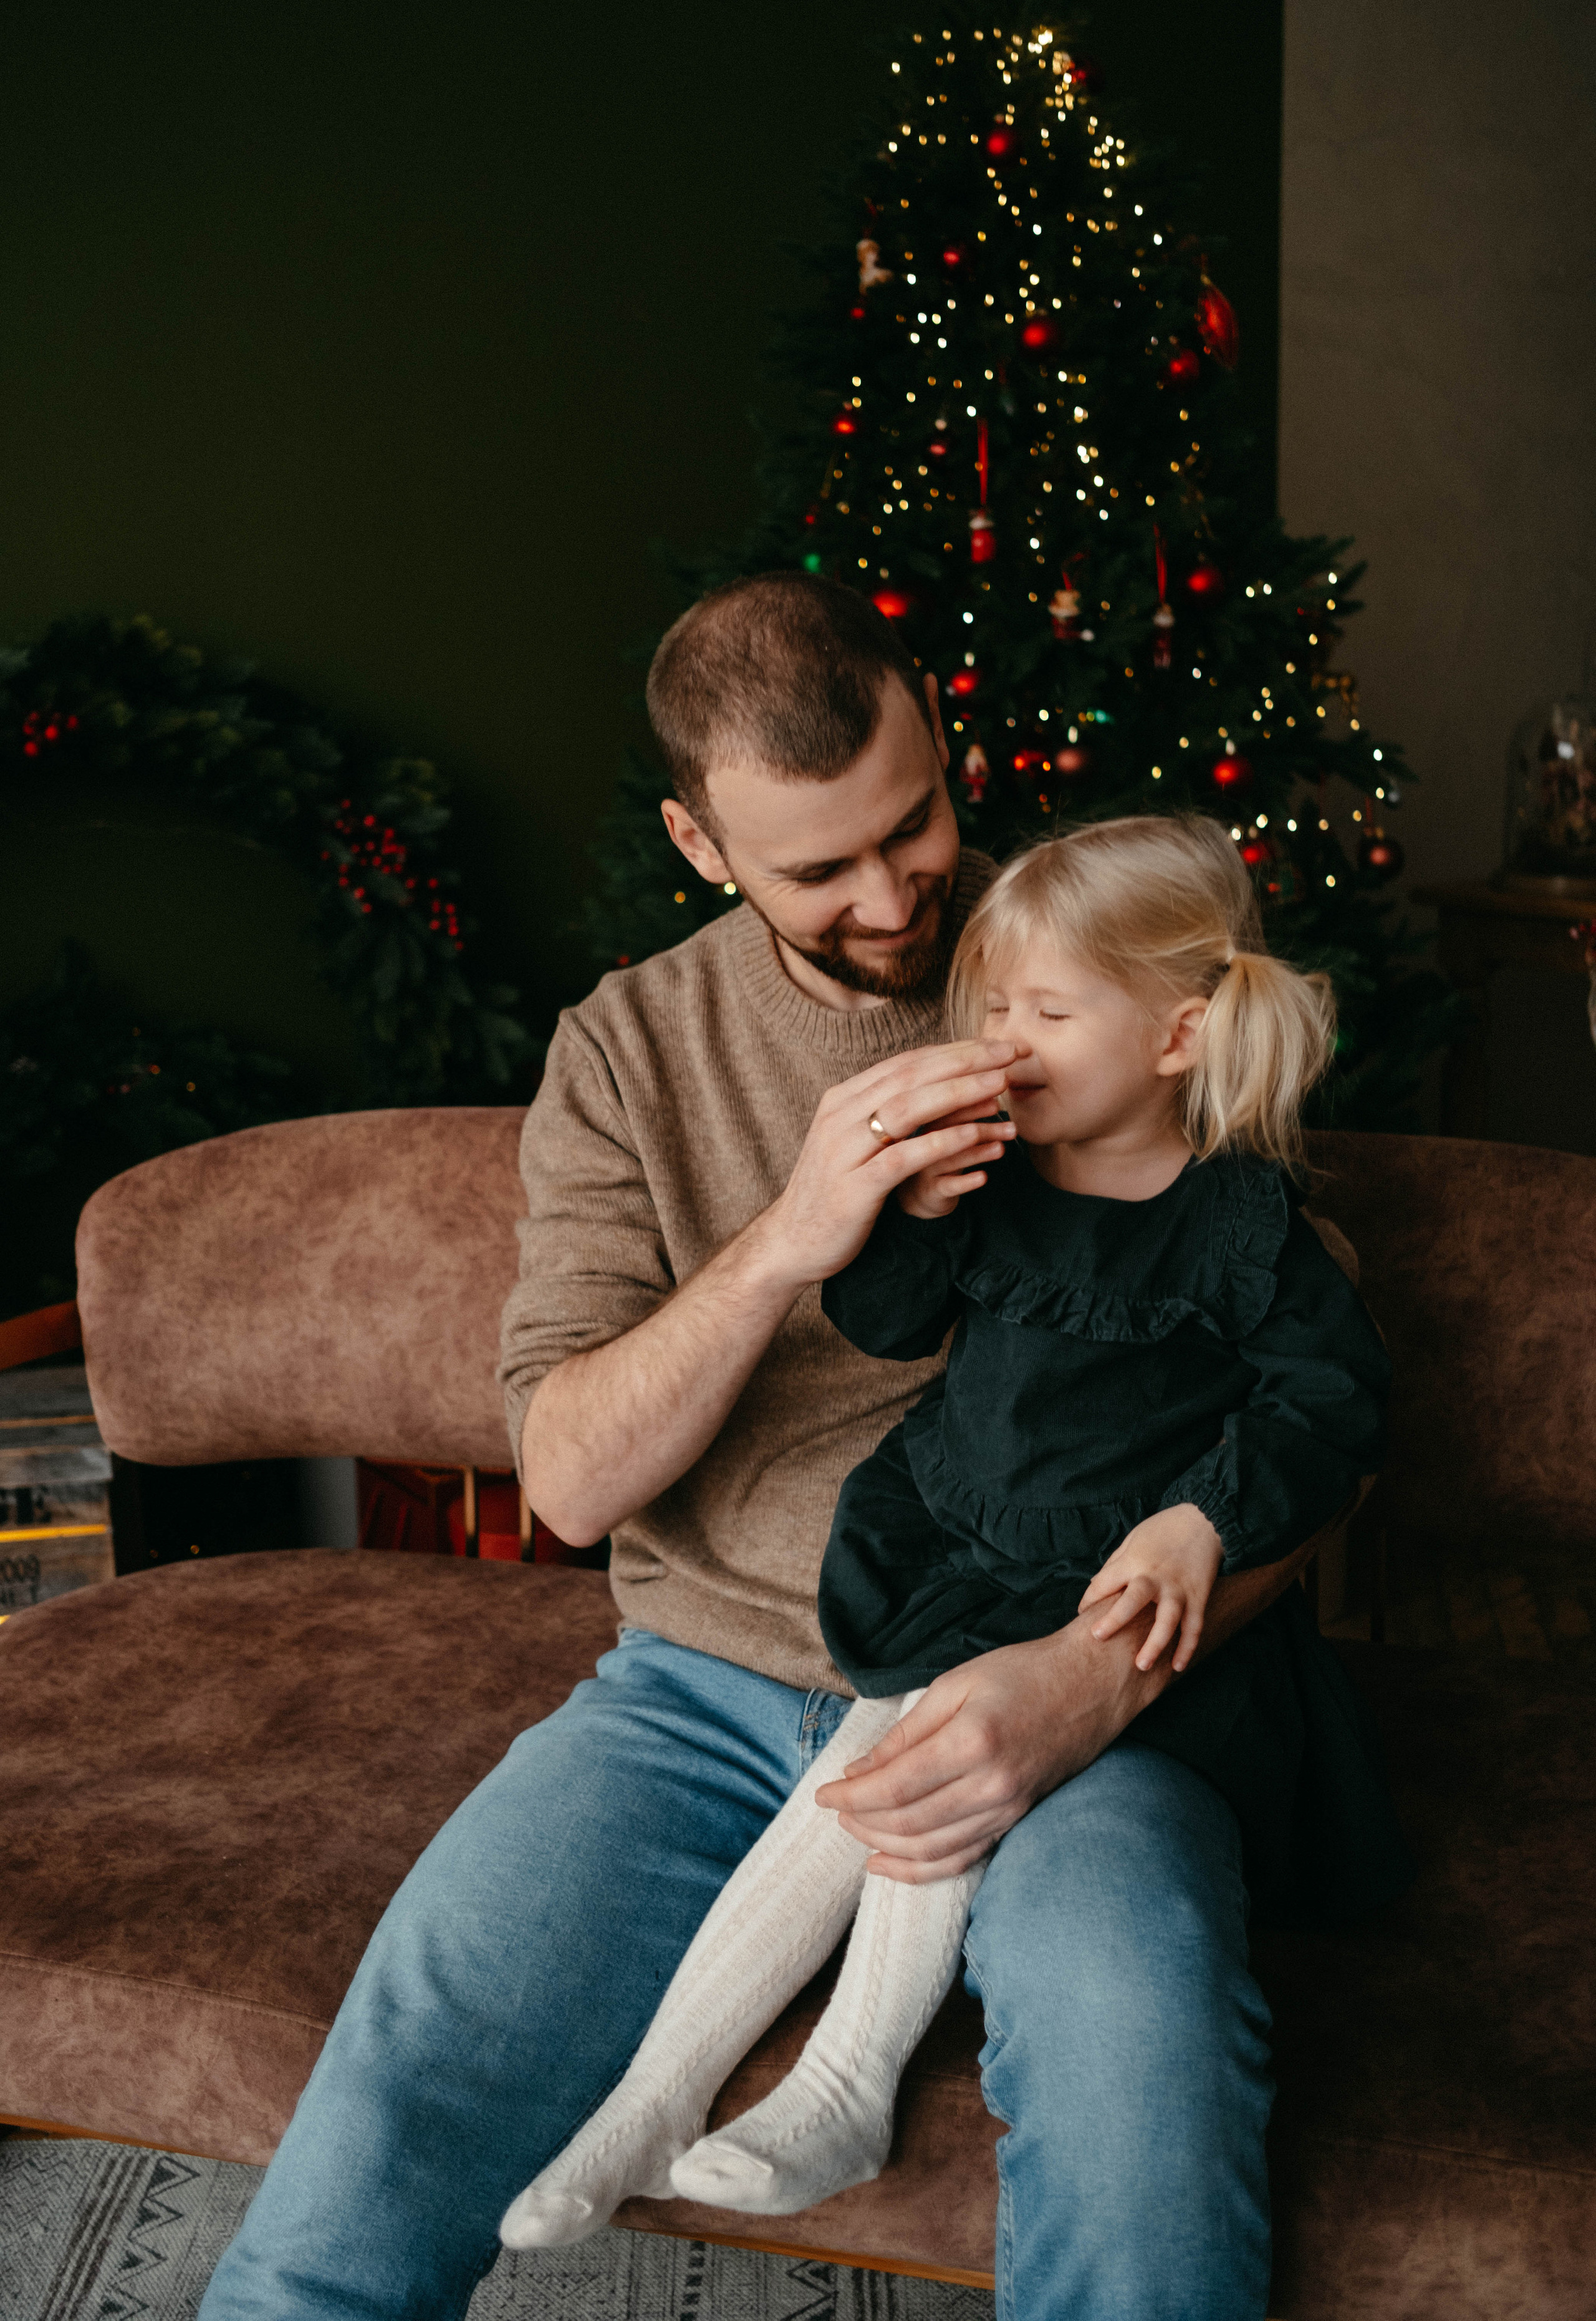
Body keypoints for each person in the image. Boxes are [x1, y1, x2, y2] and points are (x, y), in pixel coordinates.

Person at [198, 576, 1372, 2321]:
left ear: (943, 748)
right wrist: (792, 1236)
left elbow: (1304, 1393)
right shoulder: (627, 1053)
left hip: (1069, 1680)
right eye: (820, 870)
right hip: (703, 1683)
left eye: (915, 827)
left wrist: (1094, 1679)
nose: (896, 899)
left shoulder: (1092, 957)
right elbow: (578, 1482)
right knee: (419, 2056)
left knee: (1143, 2031)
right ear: (698, 841)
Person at [498, 814, 1405, 2251]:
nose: (1003, 1036)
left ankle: (839, 2089)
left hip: (1102, 1609)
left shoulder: (1240, 1222)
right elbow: (883, 1325)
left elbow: (1331, 1404)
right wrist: (904, 1207)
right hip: (961, 1556)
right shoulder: (991, 1178)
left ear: (1176, 1039)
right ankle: (652, 2102)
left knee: (907, 1772)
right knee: (853, 1777)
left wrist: (1199, 1523)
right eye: (992, 1006)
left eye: (1045, 1011)